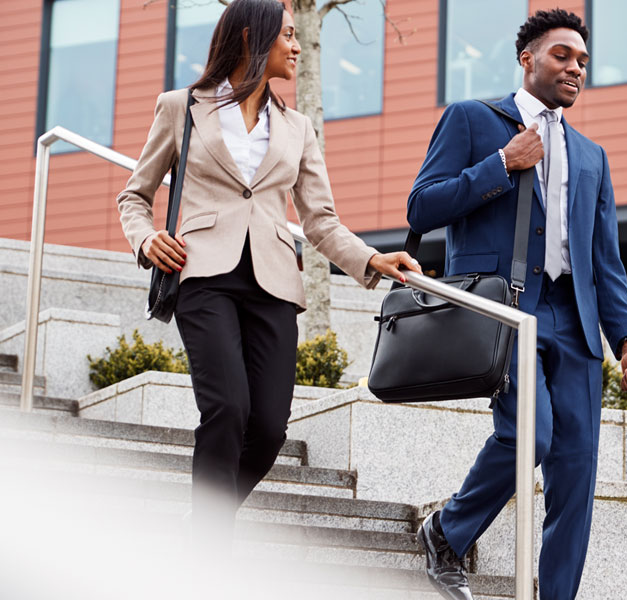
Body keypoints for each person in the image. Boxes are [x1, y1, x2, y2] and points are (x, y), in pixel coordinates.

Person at [115, 0, 419, 547]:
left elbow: (321, 221)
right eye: (288, 35)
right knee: (227, 408)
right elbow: (134, 196)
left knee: (270, 429)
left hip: (275, 285)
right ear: (253, 37)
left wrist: (371, 260)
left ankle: (205, 523)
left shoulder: (298, 127)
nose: (297, 46)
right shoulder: (180, 107)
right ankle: (208, 551)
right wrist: (145, 238)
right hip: (203, 275)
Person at [406, 9, 627, 600]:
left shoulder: (592, 155)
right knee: (531, 436)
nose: (575, 69)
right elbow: (422, 207)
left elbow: (606, 260)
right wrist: (501, 165)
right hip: (505, 309)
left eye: (583, 62)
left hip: (574, 319)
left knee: (576, 470)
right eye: (562, 56)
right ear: (528, 59)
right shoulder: (473, 119)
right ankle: (448, 529)